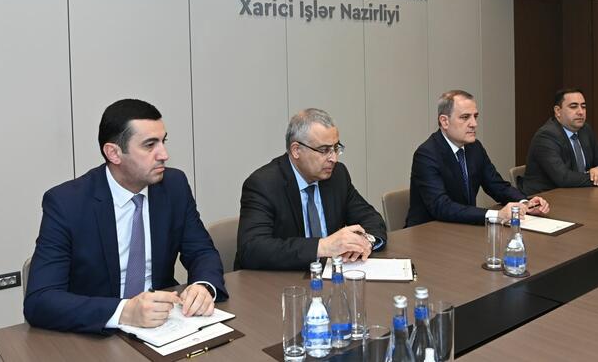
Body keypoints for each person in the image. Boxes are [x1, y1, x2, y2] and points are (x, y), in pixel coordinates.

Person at [24, 99, 227, 334]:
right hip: (95, 332)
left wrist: (203, 286)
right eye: (150, 145)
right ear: (114, 153)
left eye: (163, 141)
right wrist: (124, 311)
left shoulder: (174, 185)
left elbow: (201, 251)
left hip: (165, 325)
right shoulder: (67, 203)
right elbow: (40, 300)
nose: (164, 154)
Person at [235, 108, 387, 270]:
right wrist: (322, 247)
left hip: (331, 274)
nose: (333, 158)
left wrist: (365, 241)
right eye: (324, 150)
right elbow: (252, 248)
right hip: (279, 279)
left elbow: (371, 218)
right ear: (296, 150)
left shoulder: (337, 175)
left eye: (336, 148)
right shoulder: (263, 184)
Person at [406, 90, 550, 226]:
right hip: (429, 232)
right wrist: (497, 215)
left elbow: (497, 186)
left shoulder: (474, 148)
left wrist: (525, 203)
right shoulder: (426, 154)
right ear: (444, 121)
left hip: (462, 228)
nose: (474, 124)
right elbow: (441, 206)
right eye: (465, 117)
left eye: (475, 116)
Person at [521, 88, 598, 196]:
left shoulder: (585, 130)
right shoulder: (546, 136)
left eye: (583, 106)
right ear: (558, 111)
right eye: (573, 107)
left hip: (576, 194)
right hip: (544, 197)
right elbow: (563, 178)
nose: (580, 112)